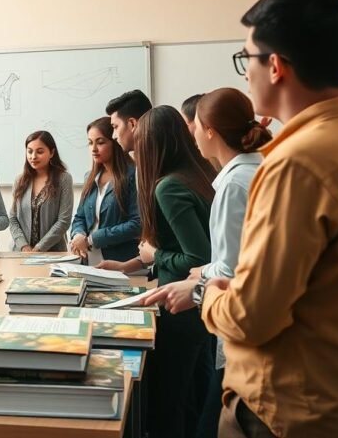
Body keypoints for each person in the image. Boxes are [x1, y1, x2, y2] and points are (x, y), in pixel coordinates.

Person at [200, 0, 338, 437]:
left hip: (285, 414)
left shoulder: (295, 164)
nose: (246, 74)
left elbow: (252, 318)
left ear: (274, 66)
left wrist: (210, 295)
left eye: (247, 59)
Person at [140, 88, 272, 438]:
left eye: (195, 126)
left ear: (210, 130)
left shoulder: (230, 183)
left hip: (234, 321)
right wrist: (206, 270)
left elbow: (225, 266)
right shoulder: (245, 171)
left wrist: (196, 272)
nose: (192, 134)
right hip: (238, 319)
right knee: (198, 404)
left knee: (194, 413)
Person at [105, 105, 216, 437]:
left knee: (169, 404)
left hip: (180, 305)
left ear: (154, 145)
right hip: (199, 305)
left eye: (139, 146)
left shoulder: (168, 187)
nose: (135, 154)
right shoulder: (199, 174)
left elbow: (198, 257)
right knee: (193, 396)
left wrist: (156, 255)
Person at [69, 117, 140, 263]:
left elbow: (137, 224)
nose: (94, 149)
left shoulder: (132, 175)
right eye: (90, 143)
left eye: (100, 142)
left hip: (121, 263)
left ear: (115, 142)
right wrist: (78, 235)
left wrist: (91, 239)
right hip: (89, 261)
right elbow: (79, 217)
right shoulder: (89, 176)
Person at [8, 131, 74, 252]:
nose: (33, 156)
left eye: (40, 151)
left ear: (52, 153)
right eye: (30, 151)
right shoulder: (20, 180)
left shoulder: (64, 179)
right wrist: (24, 246)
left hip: (52, 252)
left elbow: (64, 221)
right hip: (20, 253)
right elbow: (12, 218)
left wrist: (39, 248)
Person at [105, 88, 152, 158]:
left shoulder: (157, 162)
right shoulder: (142, 159)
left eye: (116, 127)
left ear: (132, 124)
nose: (113, 136)